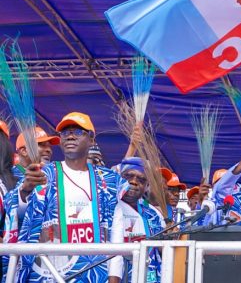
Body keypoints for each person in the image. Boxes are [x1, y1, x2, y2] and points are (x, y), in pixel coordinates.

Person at [16, 112, 122, 282]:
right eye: (65, 133)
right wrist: (25, 191)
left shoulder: (108, 180)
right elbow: (19, 216)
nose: (70, 136)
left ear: (92, 139)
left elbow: (116, 231)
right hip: (51, 273)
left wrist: (114, 276)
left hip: (95, 274)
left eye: (78, 132)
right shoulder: (44, 174)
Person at [109, 157, 165, 283]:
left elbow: (161, 251)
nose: (134, 182)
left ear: (147, 186)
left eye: (141, 179)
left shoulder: (154, 213)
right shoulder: (110, 209)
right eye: (128, 176)